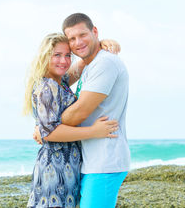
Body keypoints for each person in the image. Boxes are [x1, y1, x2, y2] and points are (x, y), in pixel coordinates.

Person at [23, 33, 121, 208]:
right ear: (45, 57)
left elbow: (83, 62)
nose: (64, 61)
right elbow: (51, 132)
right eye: (57, 55)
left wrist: (101, 44)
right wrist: (93, 132)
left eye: (68, 55)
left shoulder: (60, 81)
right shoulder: (48, 86)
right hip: (55, 168)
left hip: (68, 166)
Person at [59, 13, 130, 208]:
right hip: (91, 163)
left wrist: (48, 127)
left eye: (83, 35)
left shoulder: (104, 63)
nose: (78, 42)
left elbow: (80, 112)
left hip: (105, 161)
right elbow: (61, 80)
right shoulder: (90, 64)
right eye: (72, 39)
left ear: (95, 31)